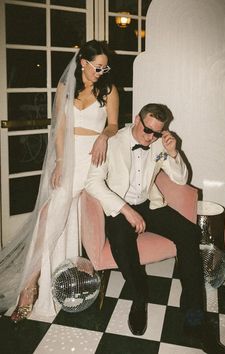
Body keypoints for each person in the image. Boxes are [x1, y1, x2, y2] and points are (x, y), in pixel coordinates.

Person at [85, 103, 225, 354]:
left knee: (189, 233)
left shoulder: (158, 144)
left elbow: (181, 179)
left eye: (156, 132)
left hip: (148, 204)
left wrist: (174, 153)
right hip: (119, 207)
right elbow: (92, 183)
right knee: (122, 239)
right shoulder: (112, 142)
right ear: (136, 119)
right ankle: (139, 297)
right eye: (146, 130)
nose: (150, 137)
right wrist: (125, 209)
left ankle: (193, 317)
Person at [0, 40, 119, 322]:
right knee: (50, 215)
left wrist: (104, 135)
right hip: (68, 157)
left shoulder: (109, 90)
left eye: (104, 68)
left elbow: (114, 124)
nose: (100, 72)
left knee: (50, 214)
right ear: (83, 63)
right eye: (96, 67)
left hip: (93, 158)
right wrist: (61, 163)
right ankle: (33, 283)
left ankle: (30, 286)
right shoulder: (66, 87)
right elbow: (60, 128)